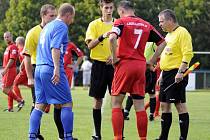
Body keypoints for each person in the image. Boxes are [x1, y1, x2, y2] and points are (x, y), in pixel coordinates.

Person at [109, 1, 166, 140]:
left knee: (116, 103)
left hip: (124, 65)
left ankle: (118, 137)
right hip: (140, 67)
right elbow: (163, 42)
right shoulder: (146, 24)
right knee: (140, 106)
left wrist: (114, 58)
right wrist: (151, 61)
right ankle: (143, 138)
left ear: (121, 11)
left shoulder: (121, 22)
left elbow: (111, 38)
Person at [28, 3, 75, 140]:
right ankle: (67, 137)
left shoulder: (47, 26)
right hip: (51, 67)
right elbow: (55, 48)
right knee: (67, 103)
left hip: (39, 68)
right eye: (72, 18)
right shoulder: (61, 26)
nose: (71, 21)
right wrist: (56, 69)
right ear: (67, 15)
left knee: (39, 104)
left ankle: (31, 137)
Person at [156, 9, 193, 140]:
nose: (160, 24)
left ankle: (183, 137)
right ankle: (163, 137)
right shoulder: (168, 35)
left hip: (176, 74)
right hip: (166, 74)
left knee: (179, 105)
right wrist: (161, 75)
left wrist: (180, 72)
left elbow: (188, 54)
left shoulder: (182, 32)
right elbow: (166, 56)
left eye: (161, 21)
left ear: (170, 20)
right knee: (164, 105)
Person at [23, 4, 56, 140]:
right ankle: (34, 134)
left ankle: (63, 135)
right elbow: (27, 56)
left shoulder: (55, 30)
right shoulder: (33, 32)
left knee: (59, 103)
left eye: (55, 15)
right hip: (39, 69)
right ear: (43, 16)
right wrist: (30, 77)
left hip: (53, 70)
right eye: (51, 16)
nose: (54, 18)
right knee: (37, 103)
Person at [85, 0, 115, 139]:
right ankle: (97, 134)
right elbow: (90, 45)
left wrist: (116, 56)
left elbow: (125, 45)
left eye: (110, 7)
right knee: (98, 100)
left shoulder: (119, 23)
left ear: (113, 8)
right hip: (98, 66)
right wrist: (103, 36)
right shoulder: (94, 25)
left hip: (115, 66)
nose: (108, 10)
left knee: (117, 100)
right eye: (106, 7)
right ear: (101, 8)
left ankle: (119, 135)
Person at [124, 42, 158, 121]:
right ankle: (151, 114)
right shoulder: (153, 43)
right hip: (149, 69)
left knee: (133, 91)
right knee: (152, 93)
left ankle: (126, 112)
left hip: (139, 68)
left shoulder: (139, 41)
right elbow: (159, 54)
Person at [2, 31, 24, 112]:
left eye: (8, 36)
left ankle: (20, 100)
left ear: (11, 37)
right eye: (5, 37)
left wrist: (5, 69)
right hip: (9, 69)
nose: (6, 38)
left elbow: (12, 59)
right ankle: (10, 108)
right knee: (9, 89)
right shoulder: (8, 47)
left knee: (4, 89)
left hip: (10, 69)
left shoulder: (13, 47)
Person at [13, 36, 28, 103]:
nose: (15, 43)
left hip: (24, 71)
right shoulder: (23, 49)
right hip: (26, 71)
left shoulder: (21, 49)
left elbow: (25, 57)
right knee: (31, 85)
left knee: (15, 84)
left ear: (18, 42)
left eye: (16, 42)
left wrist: (21, 65)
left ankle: (20, 100)